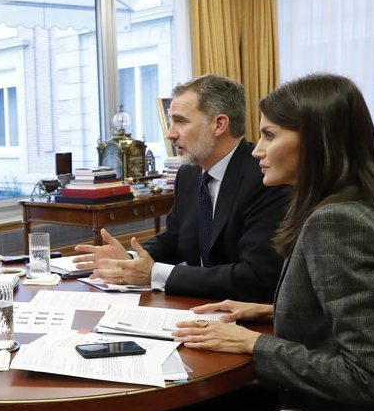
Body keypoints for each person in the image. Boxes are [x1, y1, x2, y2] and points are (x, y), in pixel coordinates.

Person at [143, 74, 374, 411]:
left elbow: (368, 377)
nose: (255, 149)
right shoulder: (371, 204)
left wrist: (252, 345)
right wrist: (268, 311)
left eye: (270, 135)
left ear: (317, 142)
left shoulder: (338, 225)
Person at [73, 74, 289, 302]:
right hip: (196, 304)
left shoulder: (265, 176)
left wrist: (155, 273)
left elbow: (257, 276)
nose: (170, 133)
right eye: (171, 121)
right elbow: (176, 239)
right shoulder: (189, 174)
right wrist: (130, 259)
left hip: (246, 313)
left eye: (181, 121)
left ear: (219, 124)